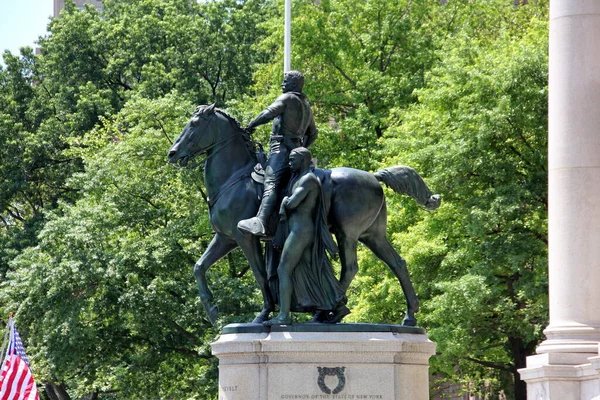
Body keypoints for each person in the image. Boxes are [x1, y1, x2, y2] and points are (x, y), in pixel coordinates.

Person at [263, 148, 345, 326]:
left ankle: (284, 316)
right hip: (298, 229)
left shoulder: (308, 179)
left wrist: (284, 201)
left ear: (303, 160)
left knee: (284, 269)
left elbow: (292, 203)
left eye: (293, 160)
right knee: (314, 269)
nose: (290, 163)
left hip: (301, 231)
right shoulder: (299, 178)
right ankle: (336, 303)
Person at [237, 71, 318, 238]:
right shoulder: (307, 107)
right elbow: (313, 134)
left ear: (294, 84)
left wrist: (250, 126)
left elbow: (268, 113)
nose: (283, 84)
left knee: (271, 181)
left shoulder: (287, 98)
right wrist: (301, 149)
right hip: (296, 148)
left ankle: (260, 221)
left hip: (280, 148)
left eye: (286, 81)